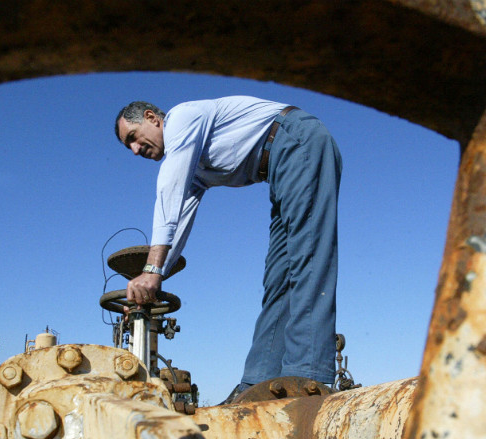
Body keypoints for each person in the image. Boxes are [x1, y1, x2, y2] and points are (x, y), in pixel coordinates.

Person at [114, 96, 342, 402]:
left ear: (152, 118)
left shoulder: (182, 119)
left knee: (308, 258)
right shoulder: (194, 168)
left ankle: (308, 375)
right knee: (278, 277)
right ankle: (259, 384)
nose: (134, 150)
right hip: (278, 168)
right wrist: (151, 288)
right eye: (128, 147)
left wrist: (151, 271)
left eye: (133, 137)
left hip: (296, 142)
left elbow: (169, 192)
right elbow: (179, 221)